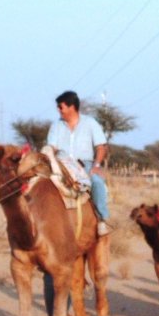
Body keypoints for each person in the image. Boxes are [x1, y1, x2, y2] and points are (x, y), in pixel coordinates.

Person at [45, 90, 111, 236]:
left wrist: (96, 166)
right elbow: (52, 147)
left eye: (61, 107)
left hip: (84, 164)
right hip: (62, 164)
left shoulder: (90, 123)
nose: (58, 110)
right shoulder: (56, 126)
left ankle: (102, 219)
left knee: (97, 182)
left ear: (71, 107)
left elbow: (101, 147)